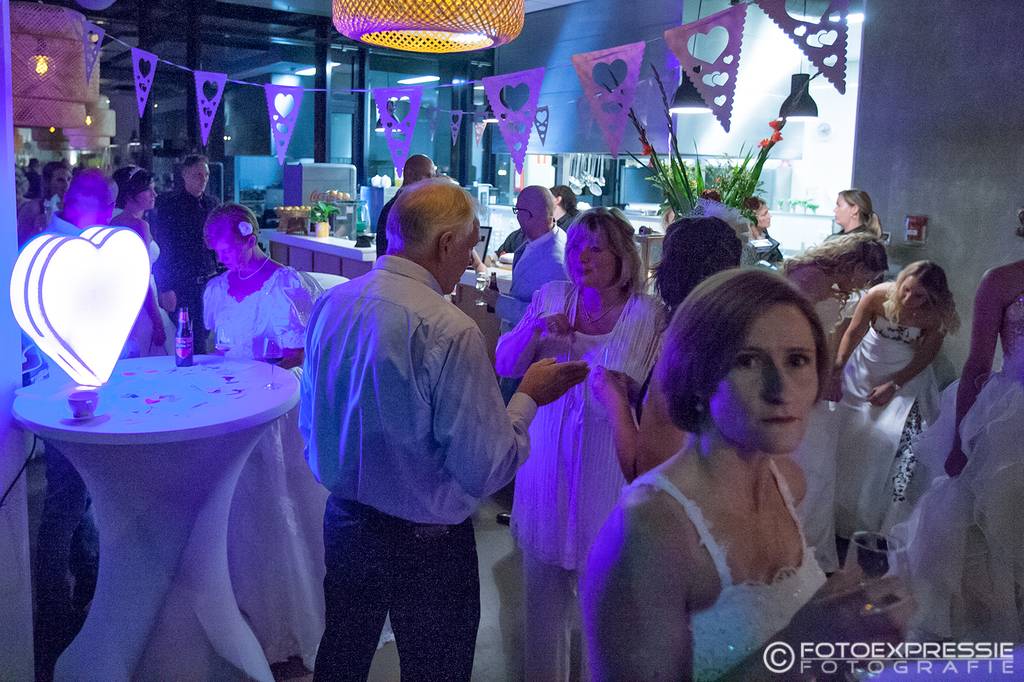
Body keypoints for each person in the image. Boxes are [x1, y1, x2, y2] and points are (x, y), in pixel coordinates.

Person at [301, 178, 589, 681]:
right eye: (470, 244)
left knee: (341, 659)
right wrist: (528, 396)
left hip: (345, 522)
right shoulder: (449, 328)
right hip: (427, 544)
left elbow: (312, 422)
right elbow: (485, 466)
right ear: (446, 243)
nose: (471, 259)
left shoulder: (333, 303)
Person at [582, 269, 910, 681]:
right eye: (748, 360)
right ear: (697, 374)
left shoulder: (787, 483)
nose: (780, 389)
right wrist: (801, 647)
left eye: (797, 360)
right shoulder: (651, 528)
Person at [494, 208, 662, 681]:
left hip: (605, 470)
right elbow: (505, 364)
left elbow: (654, 398)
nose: (581, 257)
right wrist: (534, 329)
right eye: (575, 248)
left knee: (602, 609)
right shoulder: (552, 296)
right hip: (546, 464)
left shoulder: (647, 314)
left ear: (622, 256)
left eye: (595, 248)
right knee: (542, 606)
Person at [200, 203, 329, 668]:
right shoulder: (216, 289)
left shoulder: (286, 285)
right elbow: (217, 346)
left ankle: (286, 619)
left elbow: (300, 351)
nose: (221, 258)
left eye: (226, 247)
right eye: (216, 250)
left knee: (277, 501)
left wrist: (259, 366)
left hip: (274, 403)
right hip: (230, 401)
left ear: (248, 236)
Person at [894, 211, 1024, 641]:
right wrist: (958, 440)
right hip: (1010, 418)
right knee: (991, 522)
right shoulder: (1001, 280)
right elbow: (976, 366)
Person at [33, 169, 117, 681]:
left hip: (65, 391)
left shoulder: (51, 242)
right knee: (66, 500)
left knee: (78, 496)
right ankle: (52, 614)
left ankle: (85, 587)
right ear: (89, 205)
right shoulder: (66, 254)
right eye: (106, 206)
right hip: (66, 395)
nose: (110, 216)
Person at [592, 216, 742, 480]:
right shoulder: (729, 332)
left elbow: (645, 472)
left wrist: (614, 399)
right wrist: (640, 393)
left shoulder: (693, 345)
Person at [783, 234, 889, 572]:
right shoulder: (810, 279)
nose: (864, 285)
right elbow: (792, 335)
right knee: (809, 463)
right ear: (853, 264)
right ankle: (796, 549)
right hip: (802, 381)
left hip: (818, 377)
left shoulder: (826, 280)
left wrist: (833, 372)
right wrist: (816, 377)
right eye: (865, 276)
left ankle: (812, 551)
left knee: (820, 464)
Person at [831, 261, 959, 538]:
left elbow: (926, 356)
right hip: (865, 364)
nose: (909, 298)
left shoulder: (934, 315)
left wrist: (895, 383)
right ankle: (833, 511)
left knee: (887, 436)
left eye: (919, 295)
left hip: (905, 372)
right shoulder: (878, 295)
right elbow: (853, 332)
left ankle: (870, 516)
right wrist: (838, 367)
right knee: (845, 429)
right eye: (906, 289)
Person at [151, 154, 219, 351]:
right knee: (186, 337)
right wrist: (165, 287)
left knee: (204, 335)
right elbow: (164, 249)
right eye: (198, 175)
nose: (203, 179)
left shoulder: (211, 204)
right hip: (182, 283)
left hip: (207, 279)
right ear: (185, 175)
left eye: (206, 175)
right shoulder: (170, 206)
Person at [111, 166, 173, 356]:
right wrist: (157, 321)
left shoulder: (112, 221)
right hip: (143, 304)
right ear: (130, 194)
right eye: (148, 190)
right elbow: (140, 277)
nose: (155, 194)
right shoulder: (138, 225)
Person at [495, 186, 568, 329]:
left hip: (533, 340)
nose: (517, 217)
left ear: (530, 215)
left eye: (518, 211)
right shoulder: (538, 239)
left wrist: (498, 302)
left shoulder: (556, 261)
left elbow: (547, 318)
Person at [374, 153, 435, 258]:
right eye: (429, 176)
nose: (433, 183)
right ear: (410, 174)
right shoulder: (401, 209)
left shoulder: (403, 205)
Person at [744, 196, 784, 264]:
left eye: (767, 212)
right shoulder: (747, 244)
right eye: (764, 214)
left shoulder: (764, 234)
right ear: (752, 219)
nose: (769, 216)